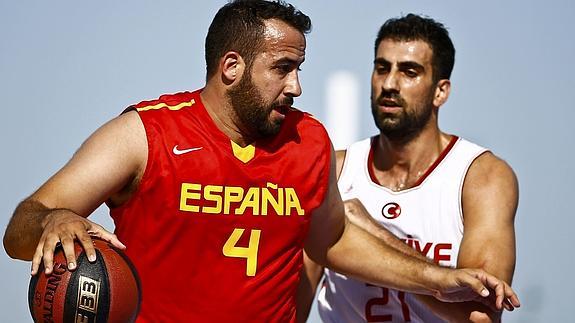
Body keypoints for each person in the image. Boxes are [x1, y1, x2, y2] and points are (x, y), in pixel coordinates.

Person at [3, 2, 519, 322]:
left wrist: (435, 278)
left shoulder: (309, 140)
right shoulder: (144, 134)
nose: (296, 85)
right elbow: (20, 227)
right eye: (283, 68)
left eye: (300, 68)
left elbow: (332, 238)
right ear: (232, 67)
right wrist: (54, 218)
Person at [297, 13, 519, 323]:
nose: (389, 83)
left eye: (409, 71)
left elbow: (479, 314)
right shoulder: (334, 170)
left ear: (440, 91)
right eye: (381, 68)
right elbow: (291, 306)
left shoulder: (481, 176)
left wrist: (371, 233)